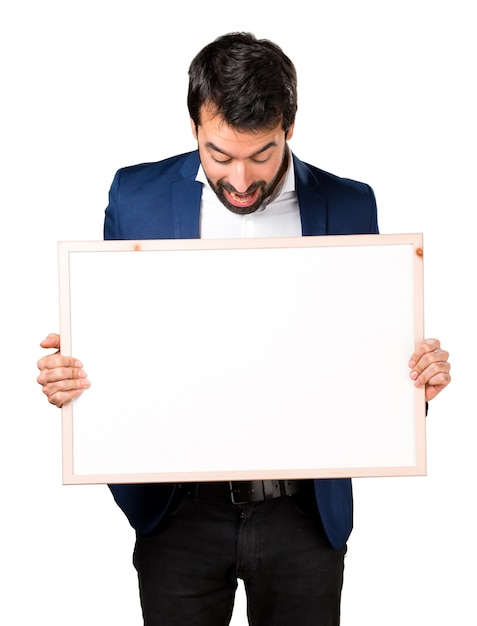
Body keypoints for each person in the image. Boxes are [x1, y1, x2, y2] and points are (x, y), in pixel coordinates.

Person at [37, 32, 451, 626]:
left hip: (302, 513)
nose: (239, 179)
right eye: (219, 155)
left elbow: (362, 358)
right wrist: (73, 379)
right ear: (193, 129)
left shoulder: (350, 205)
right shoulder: (137, 196)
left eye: (261, 155)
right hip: (178, 512)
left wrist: (414, 387)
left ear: (288, 128)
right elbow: (120, 344)